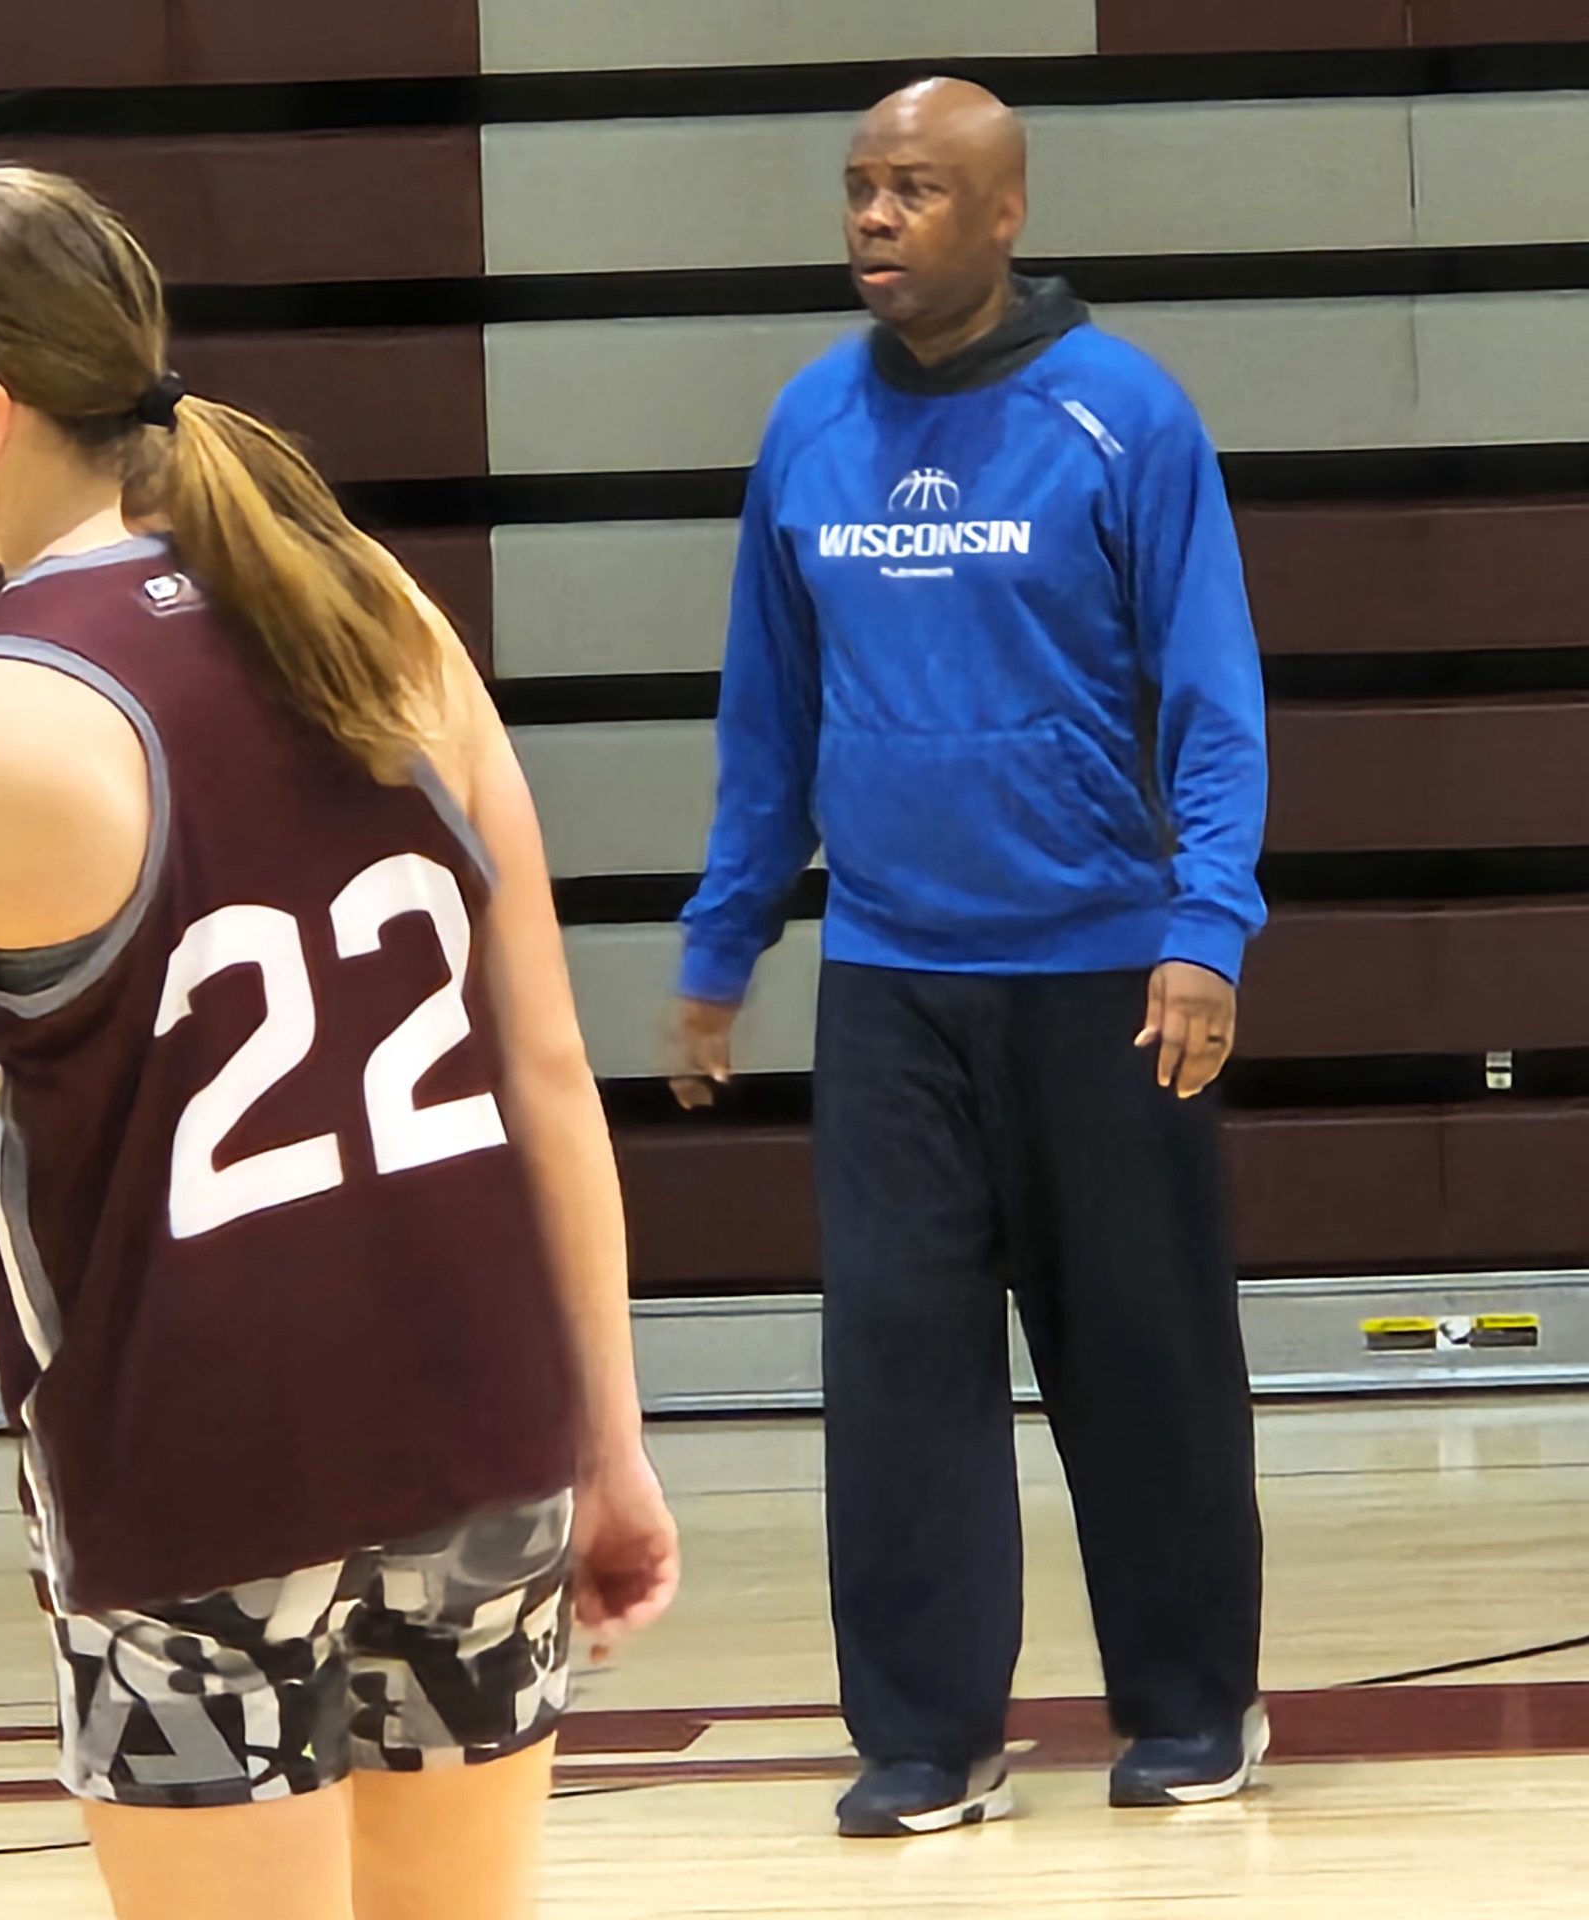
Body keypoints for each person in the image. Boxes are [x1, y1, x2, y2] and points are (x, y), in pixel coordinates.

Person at [0, 166, 680, 1920]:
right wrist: (611, 1435)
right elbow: (546, 1076)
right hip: (486, 1431)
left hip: (197, 1463)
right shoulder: (381, 615)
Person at [672, 80, 1270, 1837]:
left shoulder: (1122, 416)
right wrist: (724, 944)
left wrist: (1205, 926)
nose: (872, 218)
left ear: (1003, 213)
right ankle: (929, 1735)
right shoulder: (807, 428)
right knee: (901, 1363)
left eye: (914, 190)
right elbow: (766, 714)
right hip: (892, 979)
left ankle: (1188, 1708)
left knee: (1141, 1354)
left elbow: (1215, 702)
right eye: (859, 188)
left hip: (1102, 973)